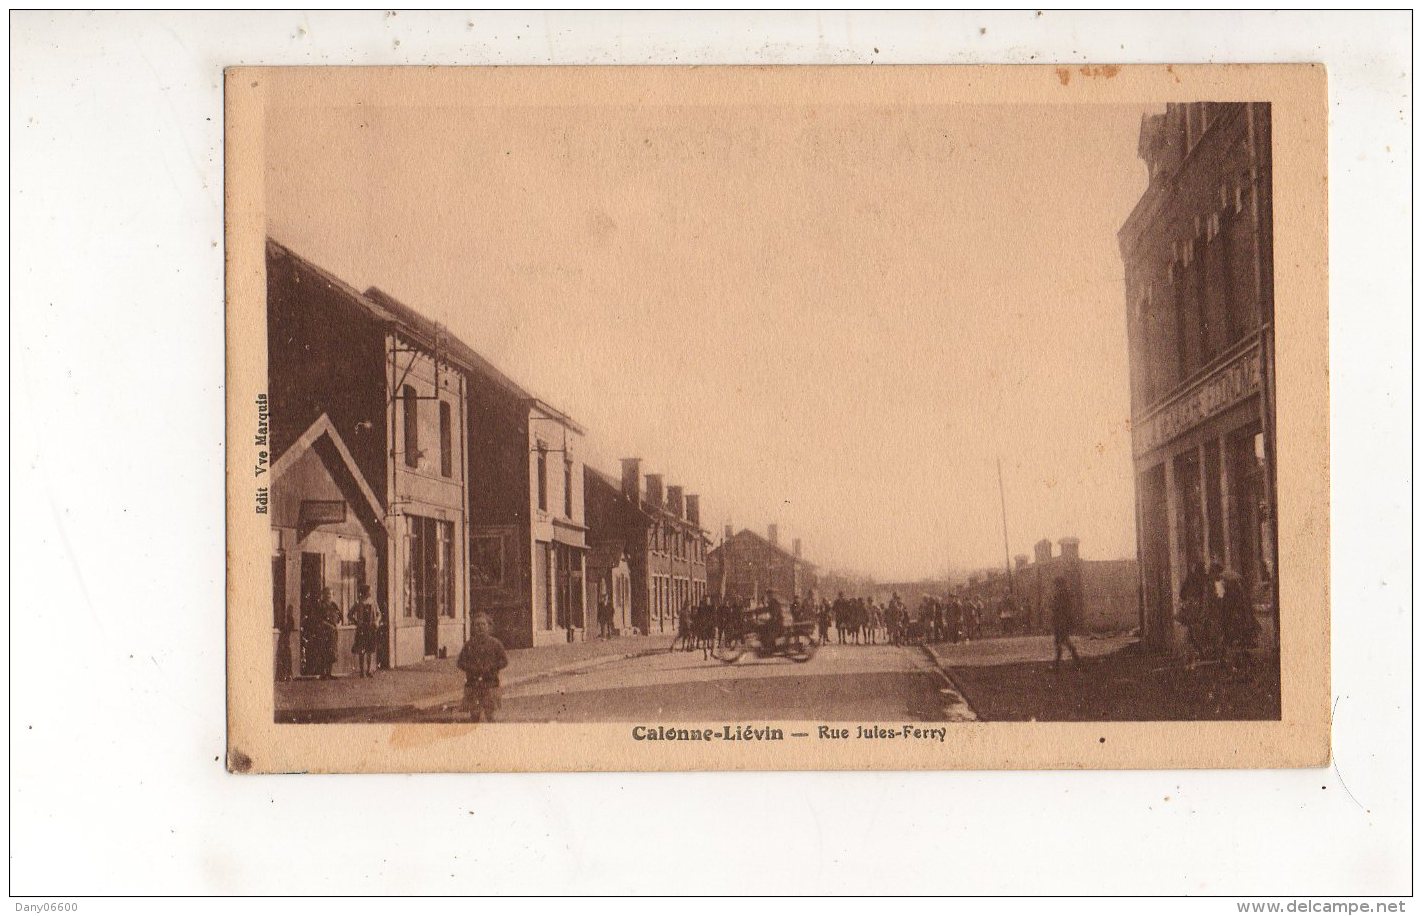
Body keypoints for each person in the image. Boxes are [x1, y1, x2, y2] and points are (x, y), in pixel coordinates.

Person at [457, 612, 509, 723]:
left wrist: (492, 667)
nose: (480, 627)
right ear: (473, 628)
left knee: (490, 716)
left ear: (488, 626)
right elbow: (460, 662)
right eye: (477, 625)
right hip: (473, 684)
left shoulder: (496, 644)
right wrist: (471, 668)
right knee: (474, 717)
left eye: (483, 624)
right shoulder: (469, 645)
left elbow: (504, 661)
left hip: (490, 684)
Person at [1050, 576, 1081, 670]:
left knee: (1062, 642)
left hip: (1061, 622)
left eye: (1056, 585)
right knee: (1062, 641)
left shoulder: (1061, 595)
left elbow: (1058, 609)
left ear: (1059, 585)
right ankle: (1075, 661)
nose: (1055, 587)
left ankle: (1057, 665)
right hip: (1062, 621)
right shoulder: (1065, 594)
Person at [349, 585, 379, 678]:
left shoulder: (373, 602)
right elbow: (349, 614)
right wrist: (356, 622)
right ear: (365, 592)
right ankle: (362, 671)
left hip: (370, 628)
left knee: (370, 650)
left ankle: (369, 670)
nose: (370, 593)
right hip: (362, 628)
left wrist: (376, 621)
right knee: (361, 650)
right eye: (369, 591)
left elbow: (379, 614)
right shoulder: (358, 602)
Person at [275, 603, 295, 682]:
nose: (290, 612)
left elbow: (288, 628)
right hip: (283, 640)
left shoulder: (290, 620)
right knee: (282, 657)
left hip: (285, 640)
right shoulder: (285, 619)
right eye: (289, 610)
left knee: (286, 657)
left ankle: (286, 675)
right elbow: (281, 628)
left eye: (291, 611)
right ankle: (281, 675)